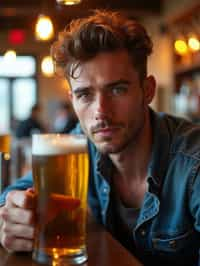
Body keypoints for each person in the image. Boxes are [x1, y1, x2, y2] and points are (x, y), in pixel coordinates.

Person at [0, 10, 200, 266]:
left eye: (117, 89)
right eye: (85, 95)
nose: (100, 113)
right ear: (73, 101)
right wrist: (10, 214)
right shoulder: (78, 146)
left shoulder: (193, 162)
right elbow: (17, 192)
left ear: (147, 90)